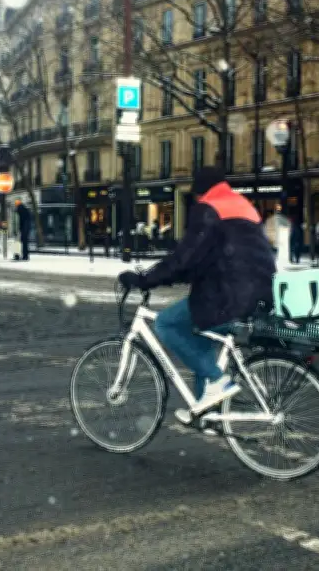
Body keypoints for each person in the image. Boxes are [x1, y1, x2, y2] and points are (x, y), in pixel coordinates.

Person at [118, 166, 276, 426]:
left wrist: (145, 280)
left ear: (200, 191)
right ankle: (208, 413)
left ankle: (216, 380)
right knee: (199, 336)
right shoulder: (242, 204)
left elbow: (185, 258)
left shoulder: (209, 208)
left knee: (166, 323)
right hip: (260, 291)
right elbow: (217, 256)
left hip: (228, 295)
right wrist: (180, 274)